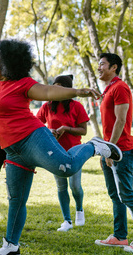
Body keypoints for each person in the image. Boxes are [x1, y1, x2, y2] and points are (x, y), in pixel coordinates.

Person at [0, 15, 123, 255]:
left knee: (67, 167)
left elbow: (50, 90)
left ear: (10, 64)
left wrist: (79, 91)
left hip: (33, 139)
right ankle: (10, 246)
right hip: (12, 150)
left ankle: (94, 146)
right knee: (16, 200)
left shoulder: (23, 84)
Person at [94, 53, 133, 252]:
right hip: (110, 150)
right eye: (99, 64)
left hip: (122, 151)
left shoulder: (121, 87)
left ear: (114, 67)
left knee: (126, 195)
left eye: (102, 64)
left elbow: (120, 120)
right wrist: (105, 150)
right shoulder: (108, 89)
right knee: (115, 195)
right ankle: (120, 236)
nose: (99, 67)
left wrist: (110, 150)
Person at [36, 74, 89, 232]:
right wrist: (48, 130)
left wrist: (66, 128)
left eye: (59, 86)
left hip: (74, 151)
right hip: (55, 150)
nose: (55, 89)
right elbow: (36, 123)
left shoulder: (76, 106)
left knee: (75, 186)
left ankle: (79, 209)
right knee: (61, 186)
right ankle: (67, 220)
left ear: (67, 89)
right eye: (54, 86)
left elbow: (84, 130)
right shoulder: (47, 106)